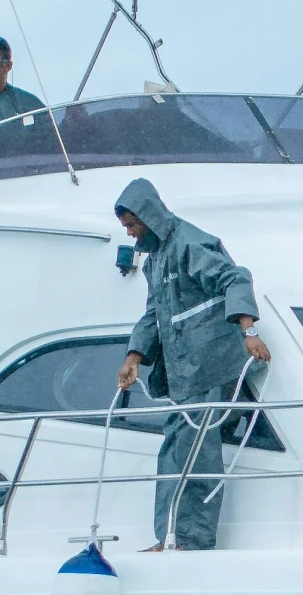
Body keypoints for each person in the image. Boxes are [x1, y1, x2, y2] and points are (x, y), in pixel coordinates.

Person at [113, 179, 272, 551]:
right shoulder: (155, 261)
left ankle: (192, 539)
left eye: (133, 224)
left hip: (209, 365)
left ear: (150, 216)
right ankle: (168, 536)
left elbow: (235, 277)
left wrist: (248, 329)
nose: (131, 232)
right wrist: (133, 357)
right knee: (173, 452)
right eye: (126, 228)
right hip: (184, 375)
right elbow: (154, 314)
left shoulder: (189, 244)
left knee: (198, 453)